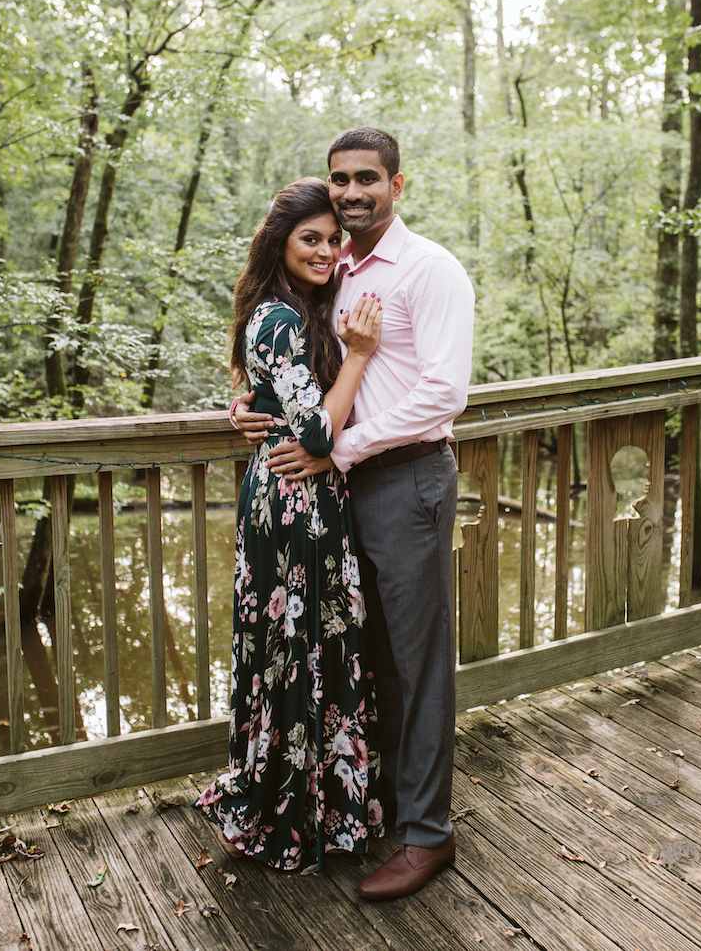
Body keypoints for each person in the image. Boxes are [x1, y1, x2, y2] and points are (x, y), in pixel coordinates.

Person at [234, 127, 474, 900]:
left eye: (367, 178)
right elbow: (302, 358)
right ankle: (380, 808)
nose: (352, 191)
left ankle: (427, 835)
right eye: (340, 179)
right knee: (369, 660)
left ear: (397, 185)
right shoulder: (339, 270)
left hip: (404, 481)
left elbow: (444, 393)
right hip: (340, 495)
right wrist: (251, 404)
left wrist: (339, 449)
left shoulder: (429, 270)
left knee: (419, 659)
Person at [194, 177, 384, 873]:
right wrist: (360, 356)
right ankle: (285, 808)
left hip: (311, 496)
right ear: (281, 243)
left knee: (315, 642)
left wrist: (253, 405)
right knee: (290, 645)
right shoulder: (276, 316)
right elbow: (314, 430)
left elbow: (289, 401)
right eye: (312, 239)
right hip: (292, 501)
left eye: (335, 240)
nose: (327, 251)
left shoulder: (311, 309)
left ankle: (322, 805)